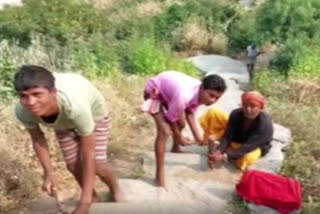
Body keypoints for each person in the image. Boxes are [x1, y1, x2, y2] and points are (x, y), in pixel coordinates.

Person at [14, 65, 125, 214]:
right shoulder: (23, 111)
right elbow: (38, 139)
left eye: (37, 94)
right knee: (73, 165)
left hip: (93, 116)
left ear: (53, 93)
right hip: (63, 124)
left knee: (97, 164)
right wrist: (49, 173)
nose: (31, 102)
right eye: (23, 96)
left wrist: (83, 203)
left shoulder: (75, 106)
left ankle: (115, 190)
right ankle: (93, 197)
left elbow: (88, 152)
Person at [141, 71, 226, 187]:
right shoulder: (185, 95)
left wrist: (198, 138)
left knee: (181, 123)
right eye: (211, 95)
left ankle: (175, 148)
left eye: (217, 97)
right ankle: (159, 175)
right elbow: (171, 119)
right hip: (154, 91)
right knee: (165, 131)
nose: (213, 100)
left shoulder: (200, 94)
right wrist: (179, 136)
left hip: (170, 94)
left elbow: (190, 113)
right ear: (202, 88)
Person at [203, 91, 273, 171]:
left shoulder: (264, 125)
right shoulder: (236, 114)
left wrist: (225, 156)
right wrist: (219, 151)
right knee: (213, 113)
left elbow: (248, 147)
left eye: (253, 106)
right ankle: (223, 150)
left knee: (246, 158)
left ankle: (229, 152)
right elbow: (228, 136)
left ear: (261, 108)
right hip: (238, 139)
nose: (248, 109)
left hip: (254, 146)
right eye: (244, 105)